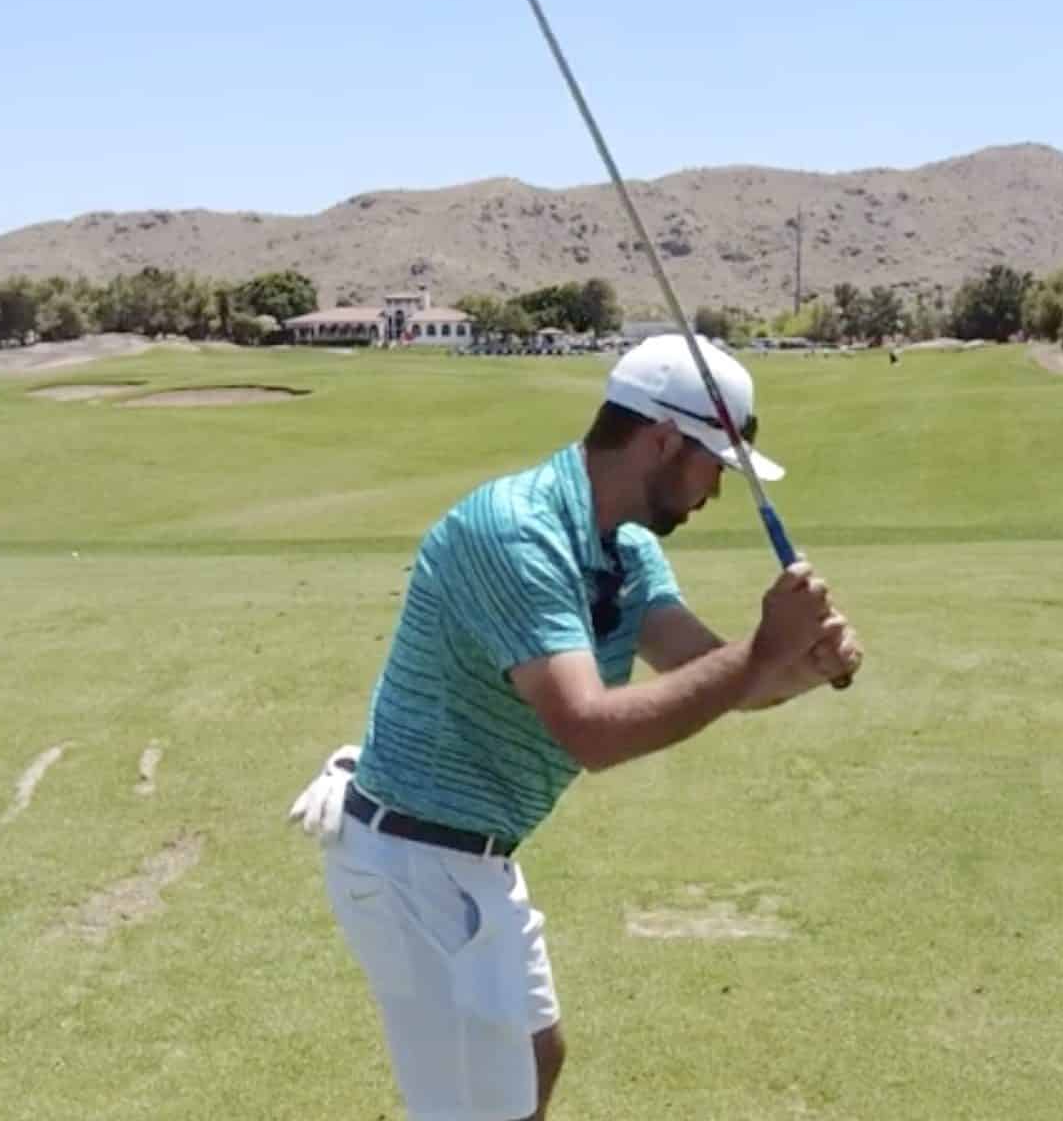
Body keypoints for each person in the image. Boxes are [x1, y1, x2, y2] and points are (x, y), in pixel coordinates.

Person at [287, 333, 863, 1120]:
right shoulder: (516, 532)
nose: (716, 491)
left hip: (467, 856)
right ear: (663, 440)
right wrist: (766, 648)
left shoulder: (623, 548)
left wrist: (801, 666)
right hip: (413, 863)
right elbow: (590, 732)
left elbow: (712, 675)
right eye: (715, 467)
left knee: (537, 1055)